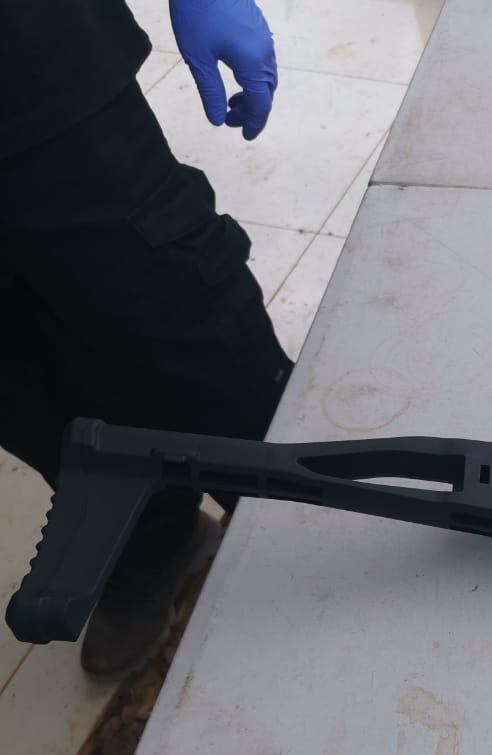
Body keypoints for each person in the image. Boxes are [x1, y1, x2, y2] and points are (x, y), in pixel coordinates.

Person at [0, 0, 292, 673]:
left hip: (28, 57)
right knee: (20, 378)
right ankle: (153, 537)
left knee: (170, 313)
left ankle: (308, 524)